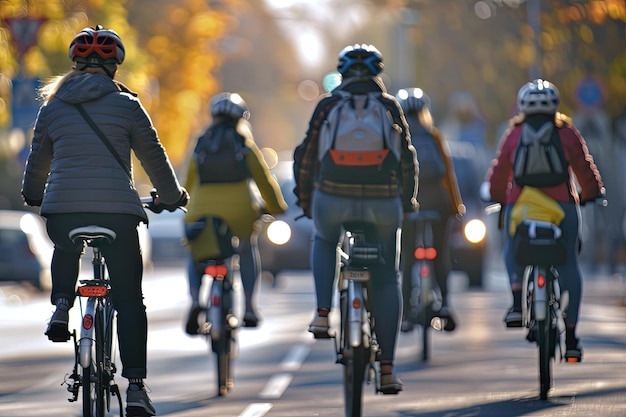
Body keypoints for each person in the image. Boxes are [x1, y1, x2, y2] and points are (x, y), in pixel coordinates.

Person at [20, 25, 189, 417]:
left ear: (76, 64)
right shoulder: (128, 106)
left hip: (64, 211)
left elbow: (37, 161)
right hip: (117, 212)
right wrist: (172, 195)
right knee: (130, 300)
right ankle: (135, 388)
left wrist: (34, 195)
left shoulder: (52, 108)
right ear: (115, 67)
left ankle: (61, 307)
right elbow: (154, 156)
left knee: (65, 242)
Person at [293, 44, 418, 394]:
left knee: (324, 239)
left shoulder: (329, 105)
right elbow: (406, 158)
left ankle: (322, 313)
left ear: (342, 73)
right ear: (378, 74)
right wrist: (405, 202)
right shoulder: (389, 106)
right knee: (387, 278)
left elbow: (305, 156)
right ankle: (389, 368)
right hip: (382, 203)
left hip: (332, 196)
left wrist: (307, 202)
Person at [487, 79, 604, 362]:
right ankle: (573, 336)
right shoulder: (567, 133)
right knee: (568, 265)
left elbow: (500, 171)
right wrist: (591, 193)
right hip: (563, 208)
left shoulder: (514, 134)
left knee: (512, 246)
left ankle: (517, 303)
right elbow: (584, 168)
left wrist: (497, 196)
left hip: (523, 208)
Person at [183, 92, 287, 333]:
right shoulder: (245, 145)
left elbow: (187, 183)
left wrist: (184, 205)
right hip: (241, 213)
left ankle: (195, 301)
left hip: (201, 212)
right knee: (247, 248)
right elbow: (265, 182)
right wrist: (277, 208)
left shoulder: (200, 144)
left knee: (196, 252)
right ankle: (249, 306)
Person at [395, 87, 465, 332]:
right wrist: (456, 205)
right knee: (440, 252)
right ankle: (445, 304)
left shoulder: (397, 135)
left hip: (408, 204)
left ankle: (404, 315)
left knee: (407, 258)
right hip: (438, 202)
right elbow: (448, 173)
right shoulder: (434, 135)